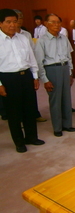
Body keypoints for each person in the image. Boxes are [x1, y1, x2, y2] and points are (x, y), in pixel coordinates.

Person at [0, 9, 45, 152]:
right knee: (14, 112)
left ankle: (32, 137)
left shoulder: (23, 38)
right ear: (1, 23)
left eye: (14, 21)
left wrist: (35, 76)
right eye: (8, 22)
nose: (12, 25)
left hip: (26, 76)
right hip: (8, 78)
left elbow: (31, 59)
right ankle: (19, 142)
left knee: (29, 109)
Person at [34, 13, 75, 137]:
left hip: (64, 69)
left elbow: (69, 57)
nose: (56, 25)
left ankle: (67, 124)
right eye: (52, 22)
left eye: (58, 22)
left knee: (66, 99)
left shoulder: (64, 38)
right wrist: (45, 79)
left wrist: (70, 73)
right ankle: (57, 128)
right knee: (55, 100)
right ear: (46, 24)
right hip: (51, 70)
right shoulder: (42, 40)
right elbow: (39, 62)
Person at [14, 9, 46, 122]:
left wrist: (35, 72)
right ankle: (21, 118)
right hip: (13, 71)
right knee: (17, 98)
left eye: (21, 17)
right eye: (17, 18)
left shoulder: (26, 34)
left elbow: (33, 51)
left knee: (31, 95)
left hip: (28, 68)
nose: (19, 20)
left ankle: (34, 114)